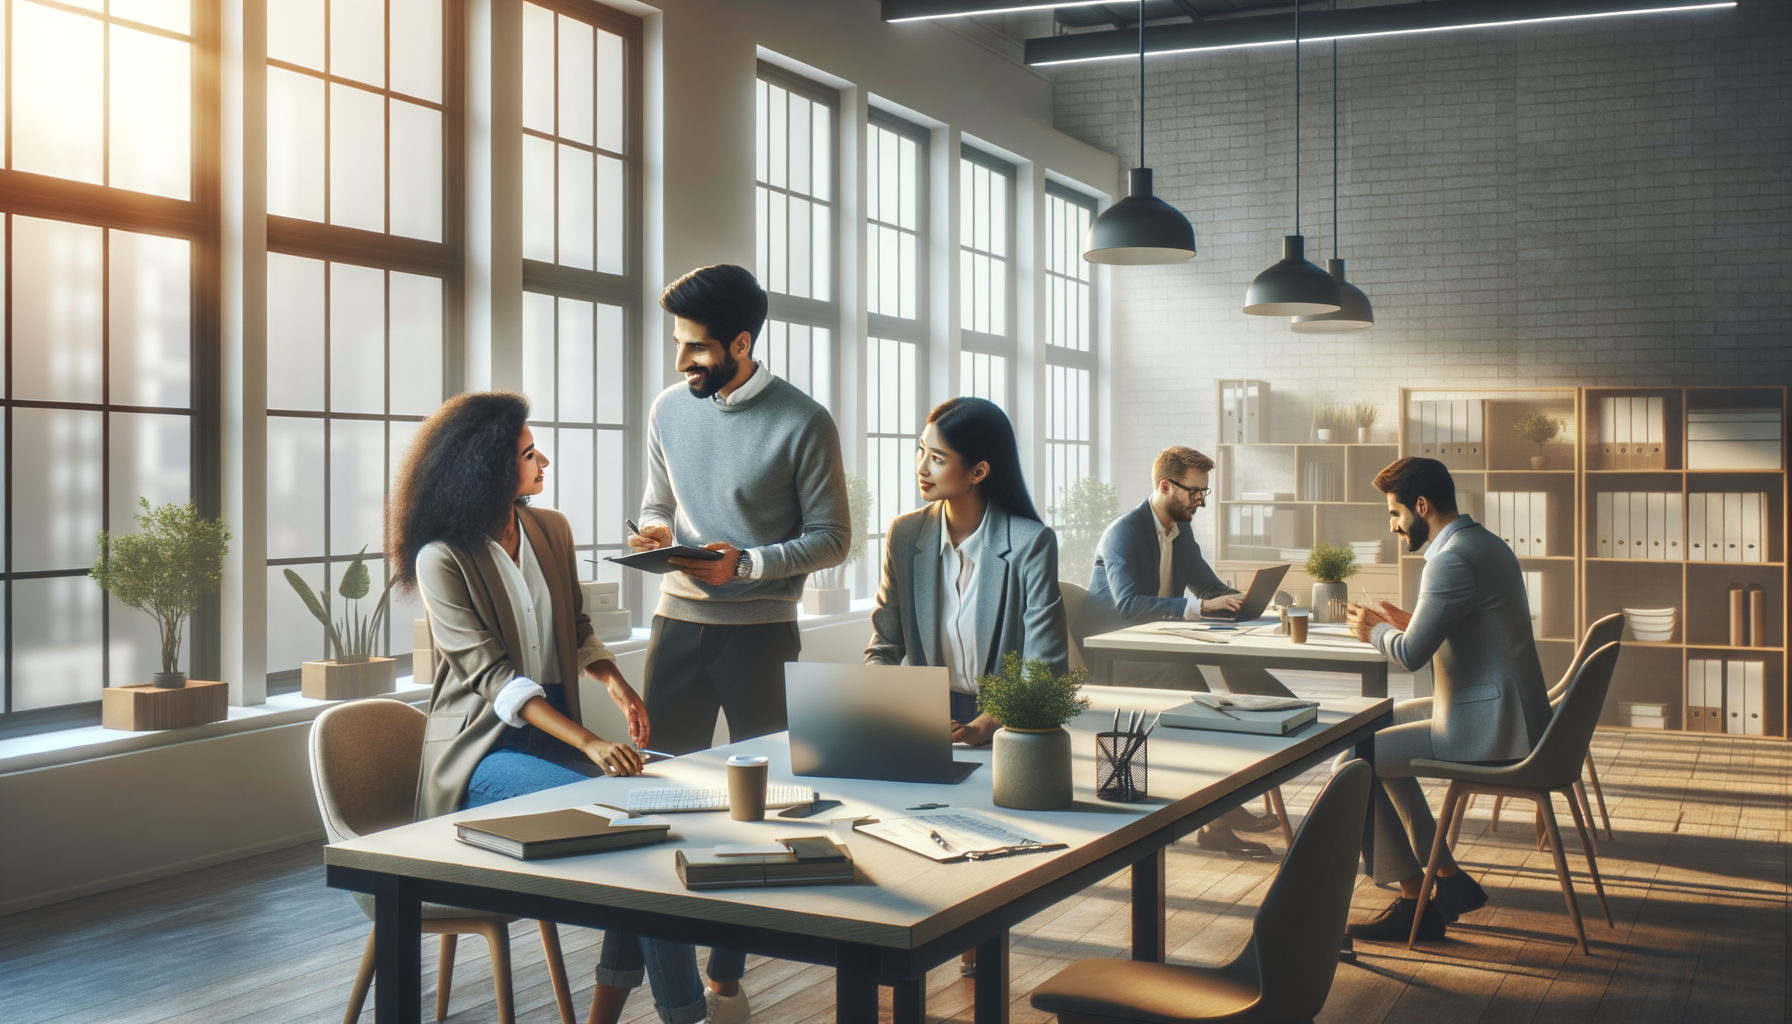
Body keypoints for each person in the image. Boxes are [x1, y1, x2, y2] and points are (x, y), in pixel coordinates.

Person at [394, 392, 746, 1024]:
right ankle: (686, 1013)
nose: (543, 461)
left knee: (644, 829)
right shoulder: (441, 558)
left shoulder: (549, 529)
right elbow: (492, 677)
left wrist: (617, 685)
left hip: (549, 740)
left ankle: (623, 1009)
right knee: (631, 832)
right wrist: (588, 741)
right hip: (481, 754)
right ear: (487, 466)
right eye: (529, 453)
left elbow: (577, 624)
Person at [627, 264, 850, 754]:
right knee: (663, 770)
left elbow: (833, 538)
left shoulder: (806, 422)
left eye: (697, 348)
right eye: (677, 343)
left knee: (771, 780)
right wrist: (655, 530)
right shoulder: (667, 408)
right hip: (676, 621)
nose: (681, 361)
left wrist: (746, 564)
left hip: (762, 632)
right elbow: (658, 503)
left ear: (741, 344)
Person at [1341, 456, 1552, 941]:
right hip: (1507, 709)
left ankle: (1416, 899)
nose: (1393, 526)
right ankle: (1448, 880)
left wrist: (1372, 631)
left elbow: (1413, 655)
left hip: (1490, 726)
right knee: (1371, 737)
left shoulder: (1448, 559)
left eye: (1395, 514)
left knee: (1356, 758)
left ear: (1421, 505)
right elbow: (1470, 624)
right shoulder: (1482, 543)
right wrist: (1408, 620)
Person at [1077, 445, 1286, 856]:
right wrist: (1199, 608)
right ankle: (1215, 822)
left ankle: (1225, 803)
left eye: (1204, 492)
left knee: (1227, 678)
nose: (1200, 501)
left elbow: (1207, 587)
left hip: (1154, 647)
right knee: (1199, 693)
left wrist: (1242, 600)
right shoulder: (1124, 532)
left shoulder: (1179, 530)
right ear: (1165, 485)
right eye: (1195, 492)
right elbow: (1128, 605)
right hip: (1114, 654)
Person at [864, 397, 1069, 741]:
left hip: (1010, 727)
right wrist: (896, 707)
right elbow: (883, 648)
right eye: (921, 451)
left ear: (978, 471)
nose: (921, 468)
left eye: (938, 459)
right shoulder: (905, 534)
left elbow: (1043, 666)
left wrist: (986, 724)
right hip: (925, 724)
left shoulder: (1031, 543)